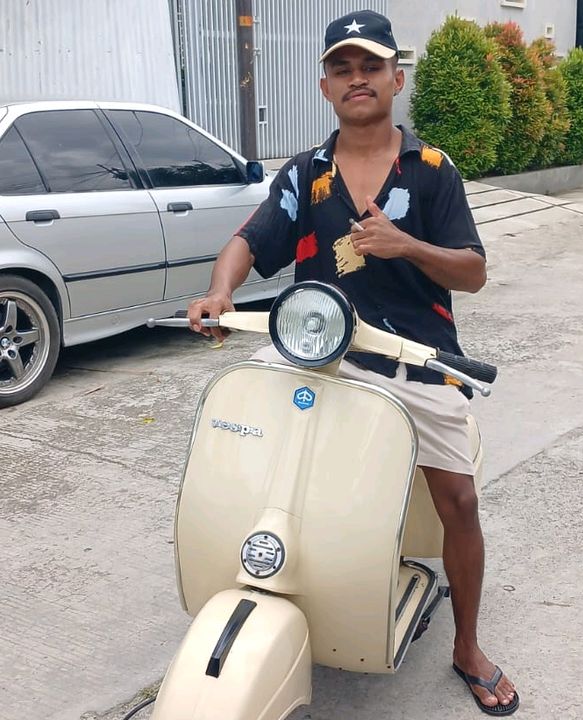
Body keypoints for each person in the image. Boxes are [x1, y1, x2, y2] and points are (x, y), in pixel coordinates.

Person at [188, 9, 518, 716]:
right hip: (316, 354)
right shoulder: (304, 172)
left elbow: (473, 272)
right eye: (342, 68)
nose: (357, 78)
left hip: (414, 358)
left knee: (458, 501)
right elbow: (250, 239)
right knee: (257, 461)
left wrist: (407, 246)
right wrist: (220, 291)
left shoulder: (431, 170)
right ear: (325, 87)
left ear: (397, 79)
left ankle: (467, 646)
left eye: (371, 66)